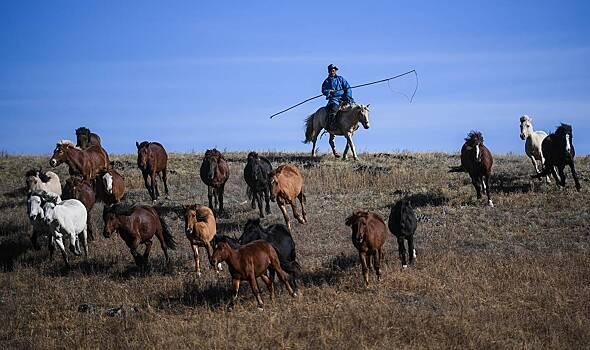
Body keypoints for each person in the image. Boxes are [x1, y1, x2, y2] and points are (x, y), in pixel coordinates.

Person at [322, 64, 354, 130]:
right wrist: (329, 91)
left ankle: (355, 123)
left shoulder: (341, 79)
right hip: (334, 99)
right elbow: (323, 90)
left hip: (344, 98)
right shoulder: (326, 81)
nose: (332, 72)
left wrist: (348, 96)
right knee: (334, 109)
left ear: (335, 71)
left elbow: (348, 88)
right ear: (329, 71)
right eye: (331, 71)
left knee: (354, 108)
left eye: (333, 70)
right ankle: (331, 125)